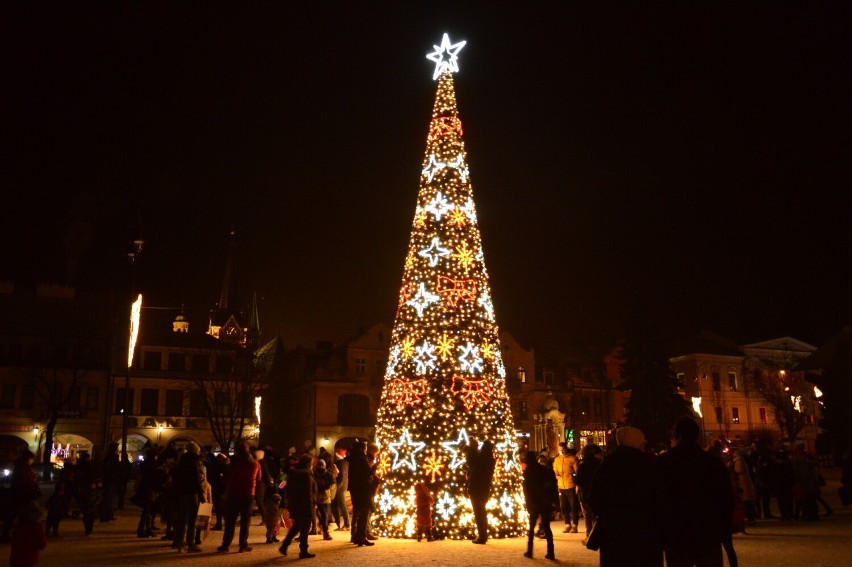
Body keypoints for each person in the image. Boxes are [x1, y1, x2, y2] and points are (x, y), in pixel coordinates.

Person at [657, 416, 734, 567]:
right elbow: (726, 498)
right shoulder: (712, 463)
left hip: (677, 534)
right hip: (708, 533)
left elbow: (657, 499)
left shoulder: (664, 463)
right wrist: (722, 527)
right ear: (697, 436)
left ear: (677, 435)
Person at [588, 426, 667, 567]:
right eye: (643, 443)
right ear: (637, 443)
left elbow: (594, 498)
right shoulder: (648, 465)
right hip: (646, 534)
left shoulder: (607, 464)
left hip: (614, 535)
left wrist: (608, 516)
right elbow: (660, 499)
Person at [217, 443, 261, 553]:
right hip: (248, 494)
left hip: (234, 493)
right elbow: (259, 477)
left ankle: (226, 545)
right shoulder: (255, 463)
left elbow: (228, 478)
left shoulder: (235, 463)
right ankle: (243, 545)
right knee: (245, 521)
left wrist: (223, 478)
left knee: (230, 521)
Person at [278, 454, 317, 559]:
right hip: (305, 504)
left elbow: (287, 488)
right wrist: (312, 503)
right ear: (308, 464)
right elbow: (309, 492)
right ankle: (303, 550)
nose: (312, 465)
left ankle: (285, 545)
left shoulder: (293, 473)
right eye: (312, 463)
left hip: (295, 503)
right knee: (305, 528)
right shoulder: (306, 474)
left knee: (297, 526)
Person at [523, 452, 558, 560]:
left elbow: (527, 490)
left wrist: (528, 503)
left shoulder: (528, 472)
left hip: (534, 502)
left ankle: (530, 550)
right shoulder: (543, 470)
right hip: (545, 502)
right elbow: (551, 485)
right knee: (547, 527)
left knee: (532, 526)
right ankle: (551, 552)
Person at [171, 442, 204, 552]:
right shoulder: (193, 461)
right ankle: (191, 542)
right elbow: (195, 479)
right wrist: (201, 493)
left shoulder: (182, 461)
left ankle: (178, 542)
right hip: (191, 492)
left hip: (182, 492)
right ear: (196, 451)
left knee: (182, 518)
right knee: (192, 519)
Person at [467, 440, 496, 544]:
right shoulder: (490, 459)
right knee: (482, 511)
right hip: (485, 488)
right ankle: (484, 535)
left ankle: (482, 536)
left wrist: (470, 449)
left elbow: (471, 462)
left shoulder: (481, 459)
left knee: (478, 512)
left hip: (476, 488)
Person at [347, 440, 375, 547]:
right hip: (363, 490)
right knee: (364, 513)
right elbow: (367, 472)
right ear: (363, 448)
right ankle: (361, 537)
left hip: (355, 490)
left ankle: (356, 536)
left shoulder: (353, 458)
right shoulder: (361, 458)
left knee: (358, 513)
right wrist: (374, 467)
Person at [575, 443, 603, 545]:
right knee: (596, 515)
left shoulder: (582, 465)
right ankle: (598, 535)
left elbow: (578, 480)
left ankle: (589, 535)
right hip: (598, 492)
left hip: (585, 492)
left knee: (587, 515)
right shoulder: (599, 463)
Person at [10, 500, 47, 567]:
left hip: (16, 558)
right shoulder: (38, 528)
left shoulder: (19, 526)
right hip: (29, 559)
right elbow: (42, 545)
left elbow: (14, 539)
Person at [552, 441, 579, 533]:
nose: (561, 452)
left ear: (566, 449)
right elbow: (554, 470)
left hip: (570, 485)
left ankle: (575, 524)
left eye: (563, 450)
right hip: (561, 485)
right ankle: (567, 524)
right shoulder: (557, 460)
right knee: (563, 506)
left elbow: (577, 472)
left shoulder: (572, 458)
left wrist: (575, 480)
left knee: (573, 506)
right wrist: (556, 475)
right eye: (560, 450)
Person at [313, 458, 335, 540]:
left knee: (325, 514)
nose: (321, 466)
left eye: (322, 465)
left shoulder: (328, 474)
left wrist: (326, 487)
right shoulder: (314, 474)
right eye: (320, 465)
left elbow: (332, 483)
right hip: (317, 496)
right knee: (324, 514)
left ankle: (322, 527)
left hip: (326, 497)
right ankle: (325, 531)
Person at [98, 442, 120, 522]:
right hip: (110, 480)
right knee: (108, 498)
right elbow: (110, 468)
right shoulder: (111, 457)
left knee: (109, 498)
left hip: (111, 480)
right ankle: (104, 515)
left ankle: (108, 514)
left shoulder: (110, 456)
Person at [331, 445, 350, 531]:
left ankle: (346, 524)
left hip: (340, 487)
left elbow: (342, 477)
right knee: (336, 506)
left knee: (342, 505)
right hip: (341, 486)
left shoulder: (341, 463)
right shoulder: (343, 463)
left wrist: (336, 487)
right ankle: (338, 523)